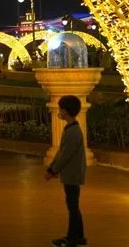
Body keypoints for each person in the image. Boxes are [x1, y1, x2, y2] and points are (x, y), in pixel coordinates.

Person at [45, 96, 87, 247]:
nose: (59, 111)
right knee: (73, 206)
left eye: (60, 109)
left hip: (72, 175)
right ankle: (79, 238)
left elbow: (65, 155)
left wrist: (54, 170)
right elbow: (61, 151)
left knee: (72, 207)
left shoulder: (73, 131)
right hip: (70, 174)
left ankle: (72, 239)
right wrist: (52, 167)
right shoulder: (71, 129)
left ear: (65, 111)